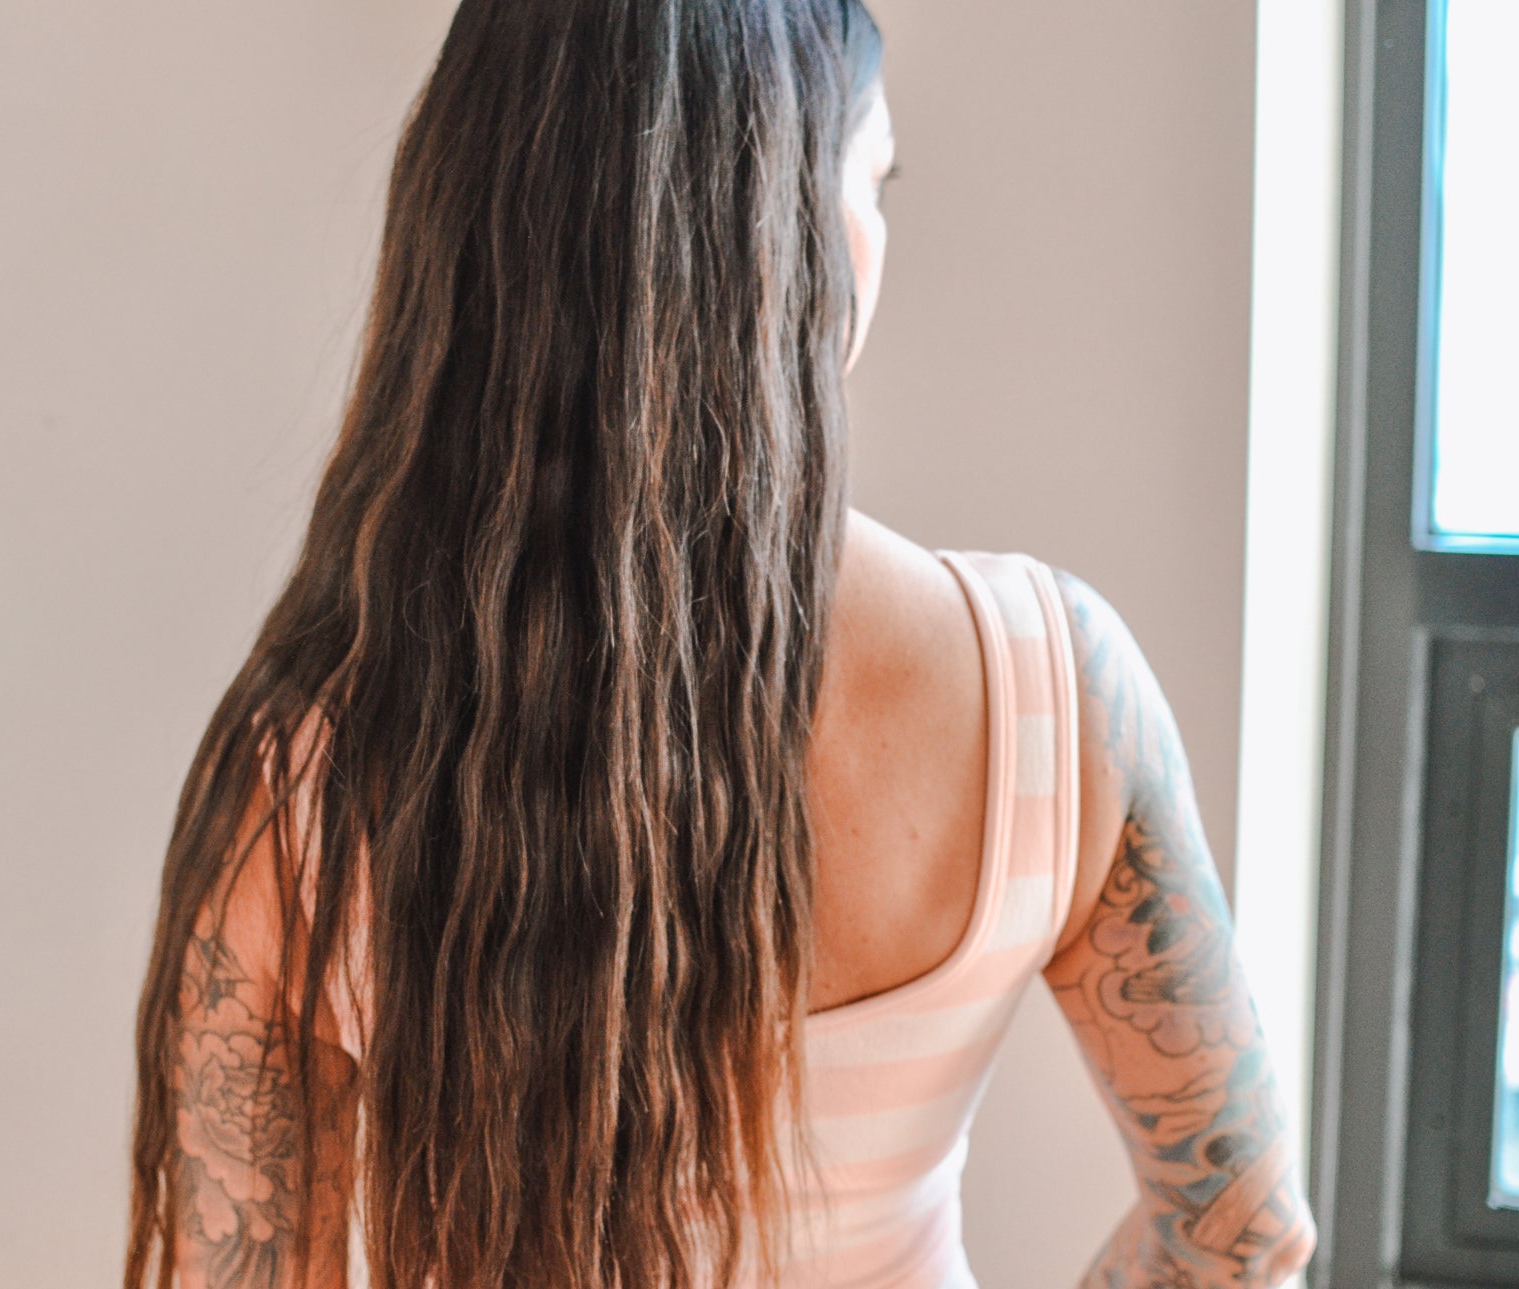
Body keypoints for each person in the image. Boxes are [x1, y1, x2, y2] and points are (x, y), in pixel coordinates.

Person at [123, 2, 1317, 1287]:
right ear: (801, 236)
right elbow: (1237, 1227)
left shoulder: (303, 783)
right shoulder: (1053, 685)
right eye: (873, 179)